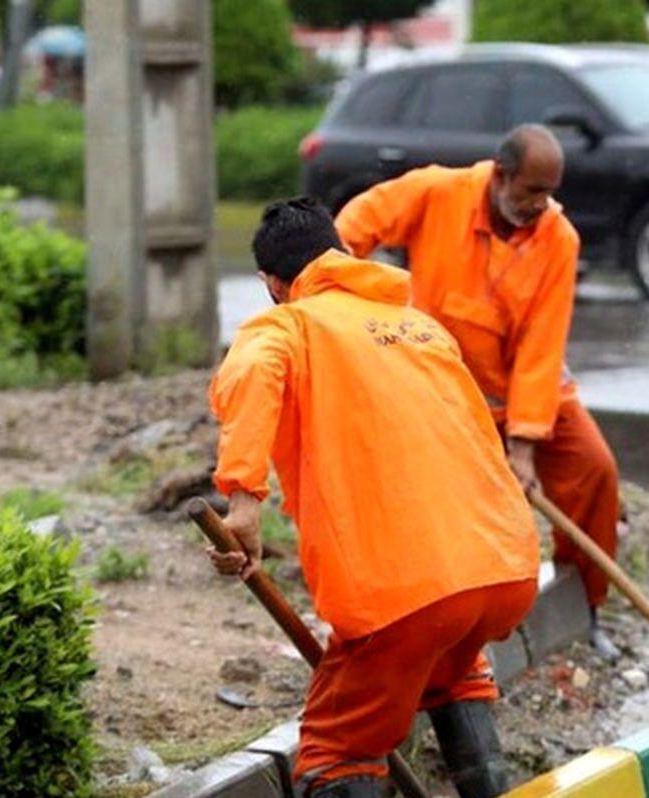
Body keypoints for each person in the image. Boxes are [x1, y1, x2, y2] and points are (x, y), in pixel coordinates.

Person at [206, 198, 541, 798]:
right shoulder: (418, 327)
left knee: (336, 749)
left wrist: (243, 499)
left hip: (407, 591)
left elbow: (252, 368)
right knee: (453, 671)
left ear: (272, 284)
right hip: (502, 569)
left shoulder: (290, 325)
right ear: (341, 254)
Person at [336, 124, 622, 659]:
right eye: (532, 190)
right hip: (442, 393)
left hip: (527, 395)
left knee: (595, 470)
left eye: (550, 192)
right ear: (501, 174)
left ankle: (587, 609)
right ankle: (436, 622)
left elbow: (541, 347)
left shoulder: (558, 238)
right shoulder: (437, 192)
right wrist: (344, 297)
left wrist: (523, 445)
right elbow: (352, 227)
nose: (542, 204)